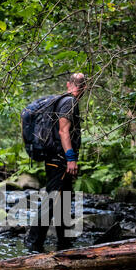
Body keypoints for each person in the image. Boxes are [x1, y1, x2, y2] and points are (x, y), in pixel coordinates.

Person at [24, 72, 86, 251]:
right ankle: (33, 243)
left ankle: (64, 242)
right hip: (59, 159)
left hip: (56, 157)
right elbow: (63, 132)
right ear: (85, 87)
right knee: (52, 199)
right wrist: (71, 158)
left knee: (64, 200)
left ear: (68, 84)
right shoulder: (69, 102)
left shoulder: (60, 100)